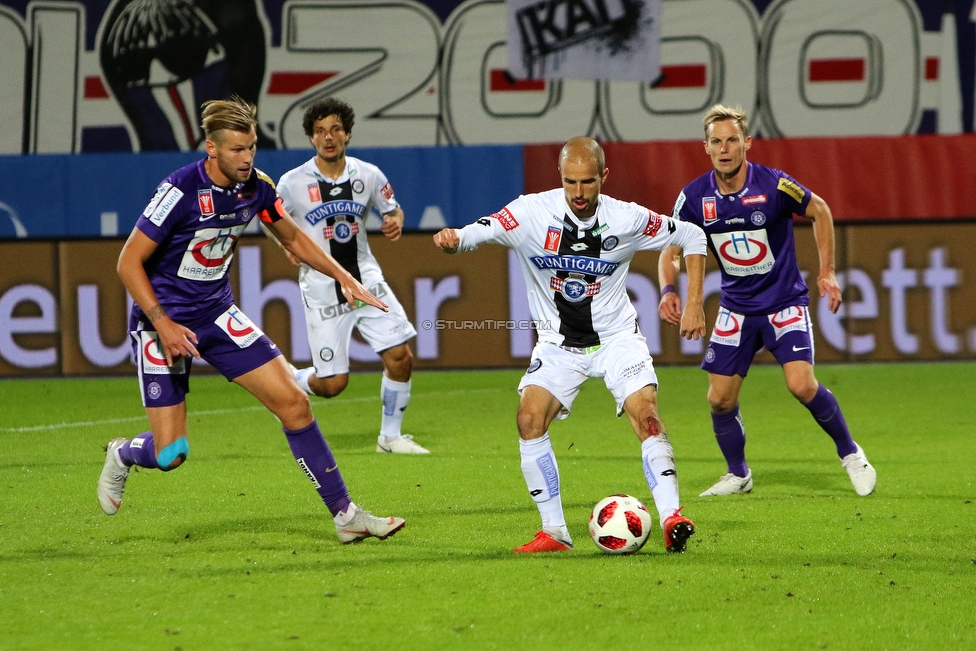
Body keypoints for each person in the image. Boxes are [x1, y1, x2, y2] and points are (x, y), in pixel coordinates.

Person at [97, 97, 405, 545]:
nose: (247, 158)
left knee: (295, 405)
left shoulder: (257, 187)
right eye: (237, 149)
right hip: (160, 323)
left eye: (252, 147)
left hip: (217, 314)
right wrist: (161, 323)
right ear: (212, 148)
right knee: (171, 454)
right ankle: (122, 454)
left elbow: (294, 237)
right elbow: (129, 263)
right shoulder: (180, 190)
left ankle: (346, 516)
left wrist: (345, 277)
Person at [434, 137, 708, 553]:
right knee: (529, 420)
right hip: (559, 344)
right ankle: (555, 532)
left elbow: (693, 237)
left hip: (617, 339)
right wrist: (457, 237)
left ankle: (672, 516)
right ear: (559, 178)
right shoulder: (532, 212)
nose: (579, 193)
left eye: (588, 182)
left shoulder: (628, 218)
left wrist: (692, 302)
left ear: (604, 177)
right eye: (570, 182)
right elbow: (487, 228)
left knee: (647, 416)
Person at [658, 104, 877, 498]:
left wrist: (827, 270)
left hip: (783, 304)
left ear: (747, 144)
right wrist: (668, 290)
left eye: (732, 140)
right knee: (720, 400)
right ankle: (738, 474)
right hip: (736, 309)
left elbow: (820, 210)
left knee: (801, 386)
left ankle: (851, 454)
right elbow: (671, 249)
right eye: (716, 142)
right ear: (705, 147)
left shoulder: (774, 185)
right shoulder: (693, 197)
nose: (725, 148)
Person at [276, 98, 427, 455]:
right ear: (311, 138)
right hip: (321, 287)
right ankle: (288, 377)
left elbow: (394, 209)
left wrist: (395, 221)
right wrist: (285, 244)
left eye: (335, 129)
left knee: (400, 356)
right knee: (332, 385)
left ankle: (390, 438)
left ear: (347, 133)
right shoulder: (291, 182)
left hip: (364, 281)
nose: (328, 137)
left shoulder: (368, 174)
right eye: (320, 131)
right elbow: (273, 220)